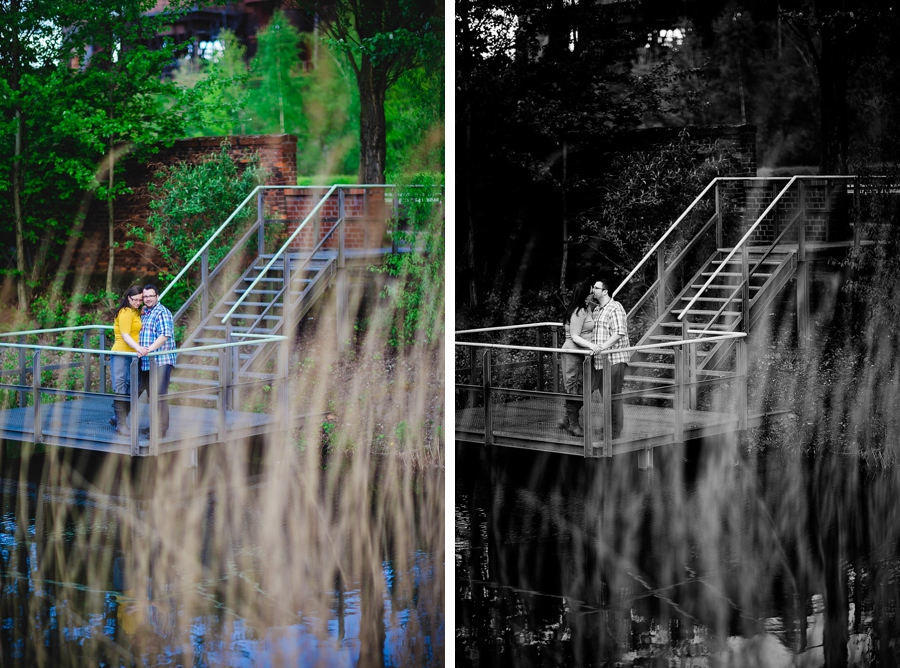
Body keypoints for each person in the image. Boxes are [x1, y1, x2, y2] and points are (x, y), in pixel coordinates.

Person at [557, 279, 602, 437]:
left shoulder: (587, 308)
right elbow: (575, 336)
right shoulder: (578, 311)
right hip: (573, 353)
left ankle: (565, 419)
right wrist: (592, 346)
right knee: (574, 388)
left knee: (586, 388)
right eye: (590, 293)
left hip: (583, 354)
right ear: (583, 294)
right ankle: (573, 426)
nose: (592, 295)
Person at [590, 276, 630, 439]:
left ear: (605, 291)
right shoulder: (597, 309)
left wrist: (601, 348)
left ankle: (615, 431)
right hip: (600, 361)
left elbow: (619, 332)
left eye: (596, 288)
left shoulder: (615, 307)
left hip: (615, 358)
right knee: (605, 395)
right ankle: (608, 427)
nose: (593, 290)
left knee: (613, 395)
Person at [137, 284, 177, 438]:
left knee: (160, 394)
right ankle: (154, 425)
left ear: (157, 296)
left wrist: (149, 349)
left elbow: (165, 335)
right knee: (151, 395)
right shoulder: (145, 313)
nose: (147, 299)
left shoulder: (162, 312)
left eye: (150, 296)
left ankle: (160, 430)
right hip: (148, 362)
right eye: (145, 297)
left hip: (161, 360)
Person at [110, 286, 148, 436]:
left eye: (140, 300)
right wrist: (139, 348)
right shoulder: (125, 312)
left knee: (137, 386)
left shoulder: (135, 311)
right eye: (135, 300)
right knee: (120, 388)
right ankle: (121, 425)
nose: (138, 302)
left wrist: (141, 310)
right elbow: (125, 335)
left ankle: (117, 417)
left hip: (133, 355)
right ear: (128, 298)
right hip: (121, 353)